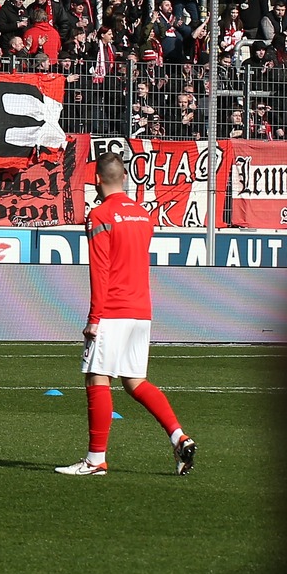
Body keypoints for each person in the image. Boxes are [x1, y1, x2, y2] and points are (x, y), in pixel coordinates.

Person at [56, 152, 199, 477]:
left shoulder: (100, 215)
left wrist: (94, 317)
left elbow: (101, 270)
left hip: (113, 310)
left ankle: (95, 460)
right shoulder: (143, 215)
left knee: (96, 377)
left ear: (96, 180)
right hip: (141, 311)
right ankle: (179, 437)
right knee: (135, 382)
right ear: (124, 178)